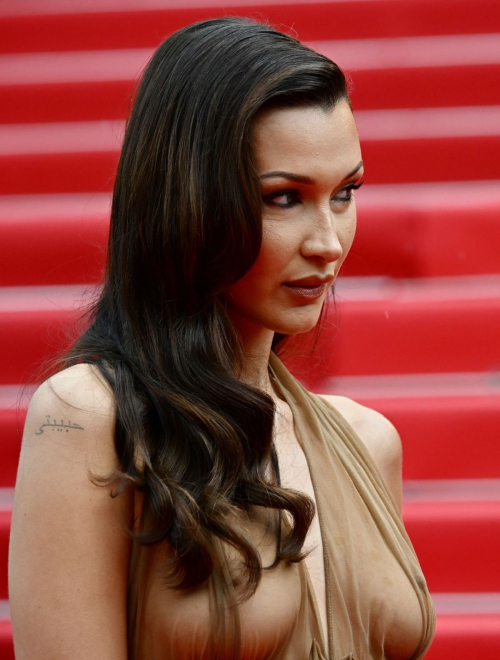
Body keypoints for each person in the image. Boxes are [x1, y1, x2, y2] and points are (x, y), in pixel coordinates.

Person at [8, 16, 436, 660]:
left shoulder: (369, 443)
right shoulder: (88, 419)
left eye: (345, 192)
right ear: (189, 200)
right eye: (284, 198)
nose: (327, 243)